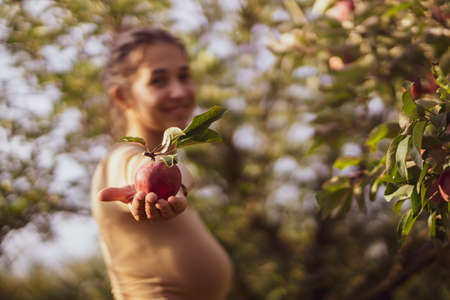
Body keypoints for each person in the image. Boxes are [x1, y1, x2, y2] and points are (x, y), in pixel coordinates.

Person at [90, 27, 233, 300]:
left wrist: (179, 188)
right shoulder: (119, 156)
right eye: (158, 81)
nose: (178, 91)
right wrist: (169, 187)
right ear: (122, 96)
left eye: (184, 76)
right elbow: (133, 167)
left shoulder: (172, 170)